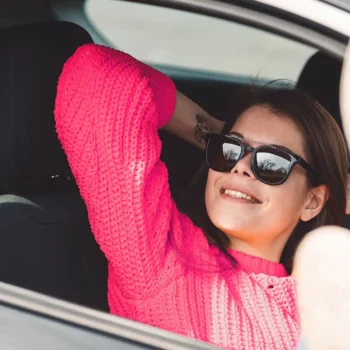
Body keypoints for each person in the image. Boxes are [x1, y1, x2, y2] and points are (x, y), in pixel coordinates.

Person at [54, 44, 349, 350]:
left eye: (271, 163)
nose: (241, 167)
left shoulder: (327, 302)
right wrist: (209, 129)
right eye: (230, 150)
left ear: (312, 202)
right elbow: (98, 72)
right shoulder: (161, 256)